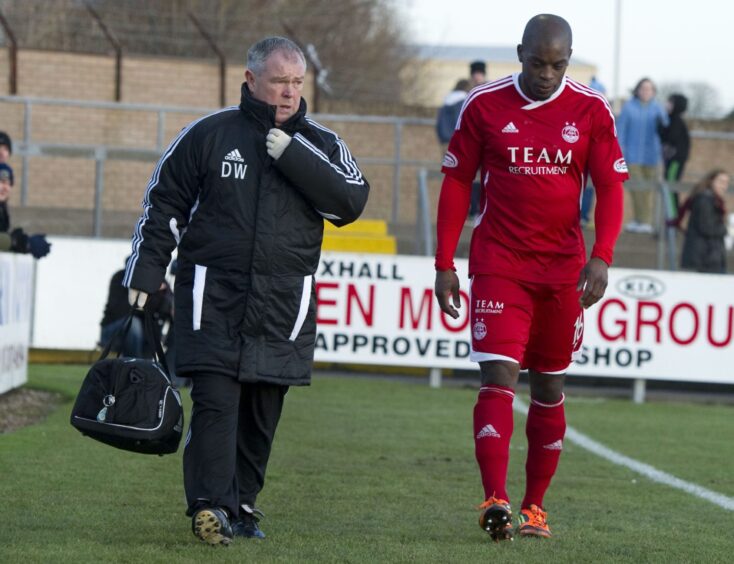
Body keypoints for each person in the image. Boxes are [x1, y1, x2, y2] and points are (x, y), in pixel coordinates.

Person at [123, 36, 369, 545]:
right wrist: (146, 272)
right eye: (279, 81)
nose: (289, 92)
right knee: (216, 402)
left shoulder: (321, 144)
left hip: (283, 305)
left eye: (297, 82)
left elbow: (349, 203)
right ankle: (210, 506)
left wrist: (293, 156)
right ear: (251, 79)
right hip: (213, 298)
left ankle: (243, 505)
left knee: (262, 410)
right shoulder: (209, 135)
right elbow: (163, 204)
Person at [434, 14, 627, 541]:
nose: (548, 74)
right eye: (538, 62)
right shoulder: (484, 105)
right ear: (520, 53)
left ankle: (534, 508)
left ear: (568, 59)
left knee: (549, 384)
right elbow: (456, 182)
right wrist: (444, 264)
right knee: (498, 374)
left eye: (558, 64)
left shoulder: (590, 109)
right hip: (500, 262)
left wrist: (603, 256)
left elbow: (610, 189)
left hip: (564, 269)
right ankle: (494, 499)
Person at [617, 78, 668, 233]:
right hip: (632, 157)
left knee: (648, 191)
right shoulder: (628, 108)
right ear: (637, 90)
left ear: (653, 92)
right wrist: (620, 153)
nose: (646, 91)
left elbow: (666, 131)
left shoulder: (658, 109)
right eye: (643, 88)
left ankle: (644, 221)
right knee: (636, 189)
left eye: (649, 89)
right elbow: (620, 132)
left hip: (653, 157)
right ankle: (641, 221)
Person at [99, 257, 173, 358]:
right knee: (133, 323)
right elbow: (121, 311)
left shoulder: (159, 281)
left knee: (153, 327)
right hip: (114, 327)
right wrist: (151, 292)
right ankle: (134, 363)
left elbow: (167, 309)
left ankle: (149, 364)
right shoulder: (119, 278)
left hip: (146, 330)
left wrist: (157, 292)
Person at [678, 169, 729, 273]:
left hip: (710, 258)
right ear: (711, 181)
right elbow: (706, 227)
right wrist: (726, 230)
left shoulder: (714, 201)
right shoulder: (704, 200)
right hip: (702, 259)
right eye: (721, 182)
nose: (724, 186)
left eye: (726, 183)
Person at [0, 163, 51, 258]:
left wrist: (25, 245)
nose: (5, 187)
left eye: (9, 183)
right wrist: (15, 242)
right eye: (2, 182)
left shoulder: (3, 210)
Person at [580, 76, 608, 227]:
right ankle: (581, 215)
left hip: (595, 159)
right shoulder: (582, 111)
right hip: (583, 158)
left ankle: (584, 215)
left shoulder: (605, 114)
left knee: (591, 189)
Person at [659, 93, 691, 216]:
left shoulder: (676, 121)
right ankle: (672, 217)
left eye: (670, 102)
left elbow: (671, 138)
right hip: (673, 160)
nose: (667, 104)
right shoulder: (672, 119)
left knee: (671, 185)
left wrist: (661, 129)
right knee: (670, 185)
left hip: (675, 160)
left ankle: (673, 218)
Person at [436, 79, 471, 153]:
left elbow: (439, 122)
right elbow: (461, 121)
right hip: (459, 141)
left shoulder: (446, 100)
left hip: (445, 139)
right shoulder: (463, 101)